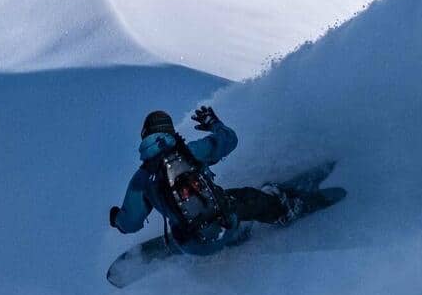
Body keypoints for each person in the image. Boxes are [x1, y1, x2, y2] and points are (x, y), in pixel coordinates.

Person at [108, 106, 301, 254]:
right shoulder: (191, 152)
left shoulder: (141, 180)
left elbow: (130, 224)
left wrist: (116, 219)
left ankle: (198, 235)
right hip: (227, 225)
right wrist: (214, 123)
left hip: (191, 247)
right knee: (246, 197)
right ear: (170, 132)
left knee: (182, 225)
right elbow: (230, 140)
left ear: (145, 136)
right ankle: (284, 210)